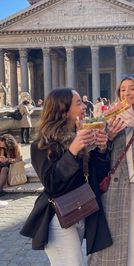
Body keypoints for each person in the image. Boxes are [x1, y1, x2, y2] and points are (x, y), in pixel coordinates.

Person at [20, 88, 112, 266]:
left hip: (80, 212)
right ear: (63, 110)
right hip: (58, 218)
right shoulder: (41, 145)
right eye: (78, 103)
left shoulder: (79, 136)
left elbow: (94, 176)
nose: (85, 106)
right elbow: (51, 183)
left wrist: (101, 149)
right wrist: (73, 151)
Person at [88, 74, 134, 266]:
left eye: (132, 88)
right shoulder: (109, 116)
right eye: (123, 89)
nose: (127, 93)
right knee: (114, 243)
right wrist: (109, 137)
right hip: (116, 187)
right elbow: (98, 157)